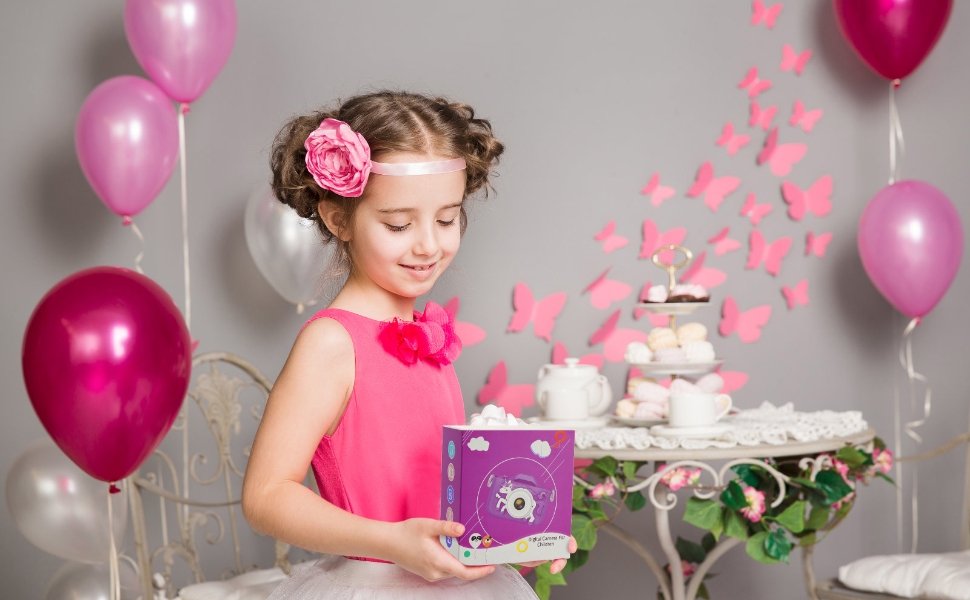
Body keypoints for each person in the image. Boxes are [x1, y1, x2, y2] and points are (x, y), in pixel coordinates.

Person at [242, 90, 575, 599]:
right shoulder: (332, 343)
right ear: (337, 218)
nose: (428, 244)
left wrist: (512, 532)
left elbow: (438, 496)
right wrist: (392, 542)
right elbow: (266, 496)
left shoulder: (427, 339)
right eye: (398, 224)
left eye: (446, 219)